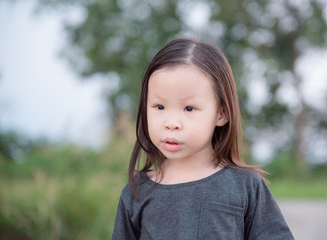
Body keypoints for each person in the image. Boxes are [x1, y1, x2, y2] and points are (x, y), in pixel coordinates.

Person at [111, 38, 294, 240]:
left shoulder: (245, 185)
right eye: (159, 107)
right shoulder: (136, 192)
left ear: (221, 114)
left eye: (189, 108)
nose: (171, 123)